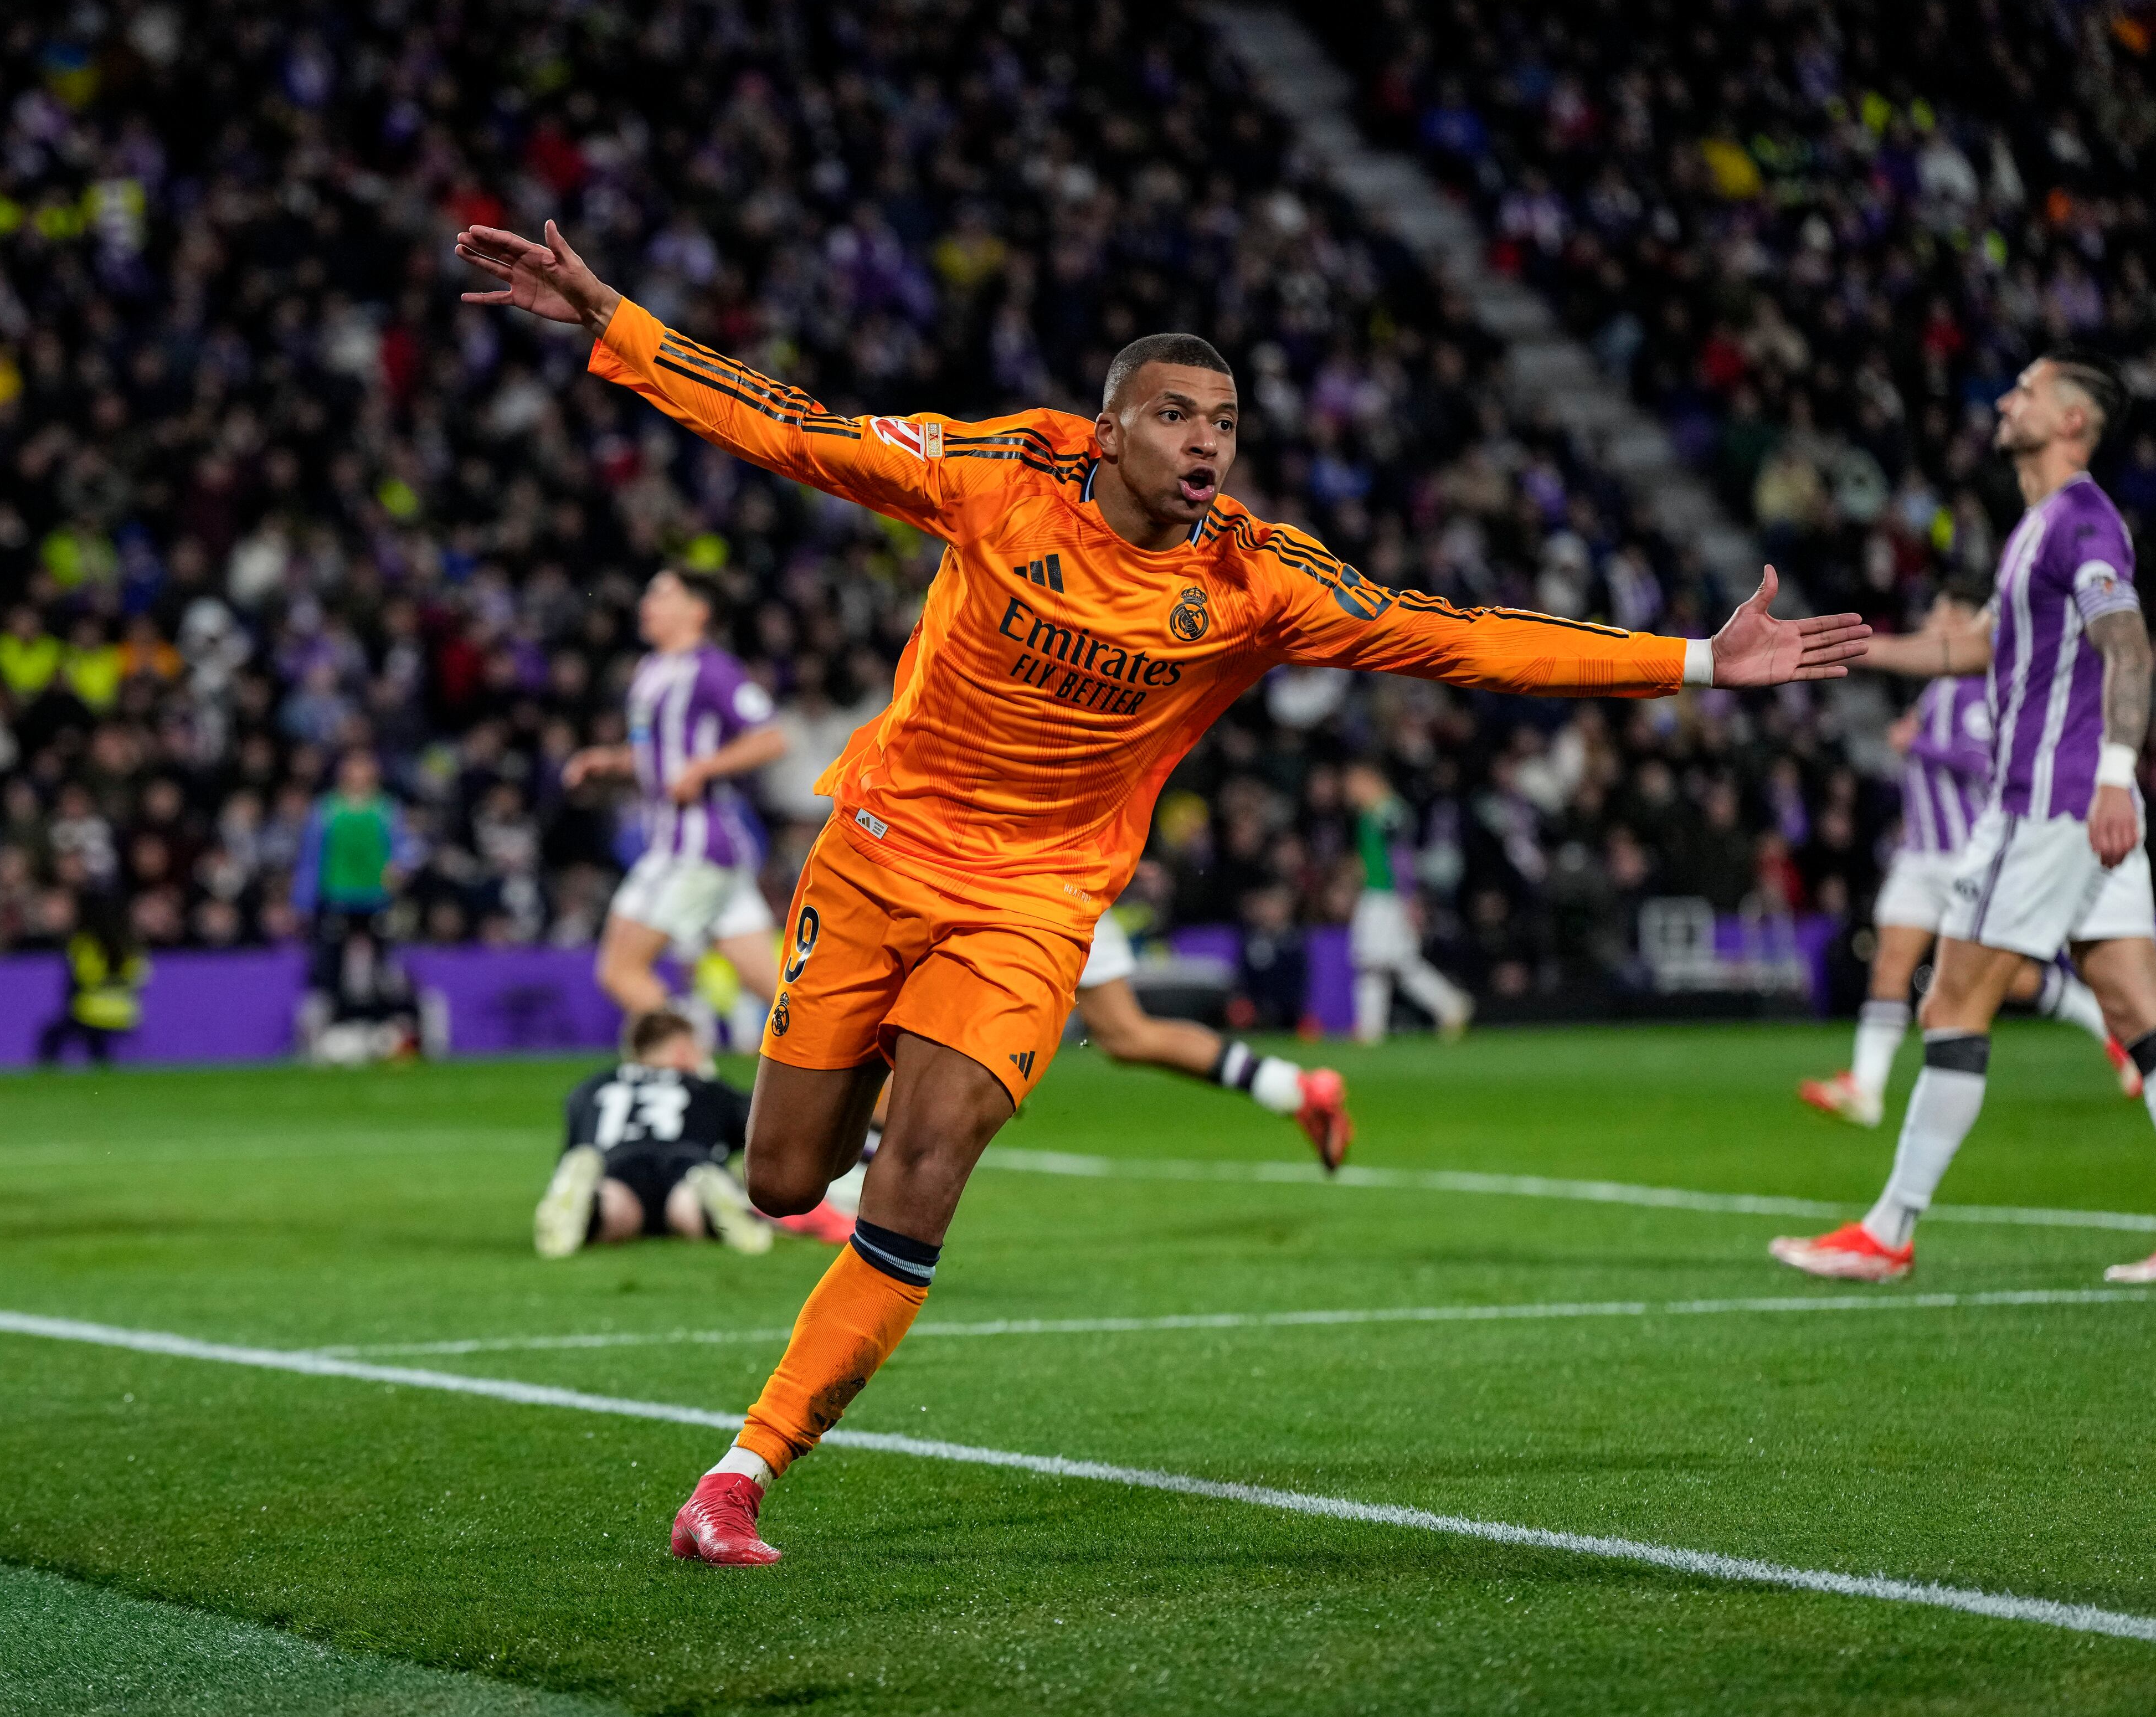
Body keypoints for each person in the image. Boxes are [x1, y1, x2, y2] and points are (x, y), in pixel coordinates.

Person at [460, 218, 1867, 1566]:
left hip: (1034, 904)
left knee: (925, 1172)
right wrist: (614, 320)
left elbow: (1456, 636)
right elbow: (795, 426)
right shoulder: (1000, 472)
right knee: (779, 1181)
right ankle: (889, 1071)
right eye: (1183, 414)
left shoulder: (1256, 578)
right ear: (1113, 421)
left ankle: (737, 1475)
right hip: (880, 851)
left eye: (1228, 423)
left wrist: (1691, 660)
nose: (1210, 442)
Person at [1772, 354, 2156, 1286]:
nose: (2006, 401)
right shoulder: (2037, 529)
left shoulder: (2083, 521)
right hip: (2077, 803)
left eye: (2025, 391)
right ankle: (1888, 1227)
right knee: (2137, 1014)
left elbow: (2130, 646)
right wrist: (1857, 646)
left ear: (2071, 421)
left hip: (2052, 805)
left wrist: (2110, 776)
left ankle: (1890, 1230)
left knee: (1950, 1002)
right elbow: (1976, 645)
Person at [1798, 584, 2133, 1128]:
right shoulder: (1936, 689)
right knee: (1889, 963)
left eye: (1942, 611)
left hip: (1963, 855)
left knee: (2007, 976)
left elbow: (1981, 761)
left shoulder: (1978, 687)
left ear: (1966, 619)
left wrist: (1918, 745)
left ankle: (2102, 1022)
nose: (1933, 620)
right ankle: (1865, 1087)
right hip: (1919, 855)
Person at [560, 570, 789, 1029]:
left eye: (662, 593)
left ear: (698, 610)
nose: (648, 603)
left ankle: (690, 1070)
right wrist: (609, 761)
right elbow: (656, 755)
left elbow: (771, 739)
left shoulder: (713, 669)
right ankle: (879, 1097)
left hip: (694, 848)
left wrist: (706, 768)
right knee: (784, 997)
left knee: (621, 972)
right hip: (702, 852)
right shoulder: (648, 672)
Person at [1072, 909, 1352, 1168]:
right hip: (1059, 889)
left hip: (1051, 891)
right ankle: (1292, 1088)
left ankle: (1297, 1089)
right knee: (1127, 1037)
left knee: (1127, 1034)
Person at [534, 1008, 770, 1257]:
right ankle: (713, 1200)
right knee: (688, 1207)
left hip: (615, 1162)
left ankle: (592, 1205)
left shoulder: (591, 1088)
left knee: (614, 1209)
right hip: (688, 1163)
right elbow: (762, 1136)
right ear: (682, 1049)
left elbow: (575, 1147)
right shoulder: (708, 1088)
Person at [1343, 761, 1474, 1043]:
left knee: (1375, 962)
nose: (1349, 791)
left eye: (1354, 783)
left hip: (1386, 896)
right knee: (1396, 962)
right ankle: (1448, 1005)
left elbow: (1402, 858)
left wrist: (1408, 898)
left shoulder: (1390, 812)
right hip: (1377, 893)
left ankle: (1371, 1029)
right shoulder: (1373, 813)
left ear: (1371, 779)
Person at [290, 748, 409, 1051]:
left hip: (377, 898)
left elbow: (404, 847)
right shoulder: (326, 810)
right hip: (338, 896)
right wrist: (303, 902)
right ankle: (328, 1032)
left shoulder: (386, 809)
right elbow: (311, 857)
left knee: (383, 966)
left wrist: (401, 867)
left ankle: (387, 1029)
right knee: (331, 965)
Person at [37, 891, 150, 1067]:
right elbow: (142, 976)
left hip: (90, 1013)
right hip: (125, 1013)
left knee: (52, 1035)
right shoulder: (129, 944)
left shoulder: (84, 943)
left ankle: (48, 1077)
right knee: (98, 1049)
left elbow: (81, 979)